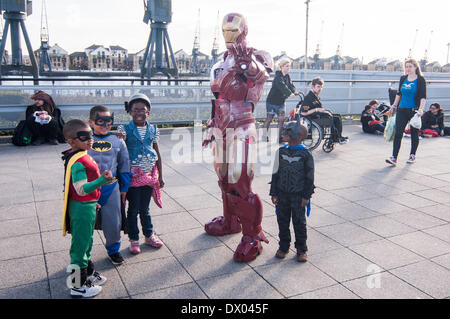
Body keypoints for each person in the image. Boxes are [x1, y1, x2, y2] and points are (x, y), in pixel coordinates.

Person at [202, 12, 272, 262]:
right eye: (224, 30)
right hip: (221, 126)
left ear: (243, 30)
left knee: (239, 182)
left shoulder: (257, 55)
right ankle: (231, 221)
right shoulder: (220, 61)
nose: (228, 35)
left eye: (233, 30)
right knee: (223, 180)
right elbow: (218, 99)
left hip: (242, 125)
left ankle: (252, 235)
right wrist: (212, 123)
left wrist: (247, 64)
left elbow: (259, 75)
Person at [61, 119, 115, 298]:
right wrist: (102, 181)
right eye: (84, 137)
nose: (90, 139)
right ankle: (77, 286)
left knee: (87, 243)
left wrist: (95, 199)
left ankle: (89, 274)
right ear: (71, 141)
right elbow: (81, 189)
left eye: (90, 134)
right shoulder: (78, 161)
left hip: (88, 206)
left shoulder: (82, 154)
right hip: (82, 208)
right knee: (79, 248)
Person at [117, 93, 164, 255]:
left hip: (149, 175)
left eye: (142, 110)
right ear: (129, 111)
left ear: (148, 112)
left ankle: (149, 235)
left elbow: (157, 152)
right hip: (132, 177)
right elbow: (119, 151)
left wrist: (161, 177)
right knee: (133, 208)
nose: (139, 113)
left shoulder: (153, 129)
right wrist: (118, 138)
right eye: (135, 110)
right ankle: (134, 238)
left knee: (145, 208)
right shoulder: (124, 129)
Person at [87, 105, 131, 265]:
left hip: (110, 186)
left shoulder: (118, 141)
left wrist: (125, 188)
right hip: (88, 188)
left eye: (109, 121)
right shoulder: (84, 141)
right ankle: (83, 256)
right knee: (84, 225)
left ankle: (114, 250)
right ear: (91, 122)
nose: (106, 125)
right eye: (101, 121)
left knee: (113, 222)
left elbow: (125, 165)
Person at [270, 121, 315, 263]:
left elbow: (310, 177)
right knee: (282, 221)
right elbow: (275, 173)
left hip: (298, 196)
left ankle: (301, 249)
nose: (283, 134)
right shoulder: (281, 151)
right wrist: (274, 192)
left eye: (287, 131)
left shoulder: (305, 154)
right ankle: (283, 247)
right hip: (282, 194)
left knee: (299, 223)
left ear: (299, 135)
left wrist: (306, 196)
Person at [386, 59, 426, 165]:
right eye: (406, 66)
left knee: (414, 134)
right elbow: (399, 93)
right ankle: (394, 157)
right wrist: (394, 106)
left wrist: (421, 109)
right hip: (402, 110)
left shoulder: (420, 80)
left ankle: (412, 155)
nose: (408, 69)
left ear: (415, 67)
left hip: (414, 111)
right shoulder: (403, 78)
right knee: (398, 133)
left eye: (410, 66)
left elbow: (423, 97)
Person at [300, 77, 348, 144]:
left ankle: (338, 137)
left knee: (338, 116)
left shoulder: (315, 96)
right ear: (313, 86)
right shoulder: (309, 97)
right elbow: (303, 113)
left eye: (321, 87)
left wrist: (323, 110)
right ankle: (335, 138)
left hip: (318, 116)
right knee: (334, 118)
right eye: (318, 86)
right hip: (314, 119)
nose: (320, 89)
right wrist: (316, 109)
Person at [263, 58, 297, 143]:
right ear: (281, 67)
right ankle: (264, 136)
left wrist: (294, 91)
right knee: (269, 119)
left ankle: (279, 138)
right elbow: (282, 86)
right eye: (286, 66)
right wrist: (290, 94)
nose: (288, 68)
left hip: (281, 102)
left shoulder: (287, 76)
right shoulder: (278, 76)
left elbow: (290, 85)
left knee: (281, 119)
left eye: (289, 66)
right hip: (272, 102)